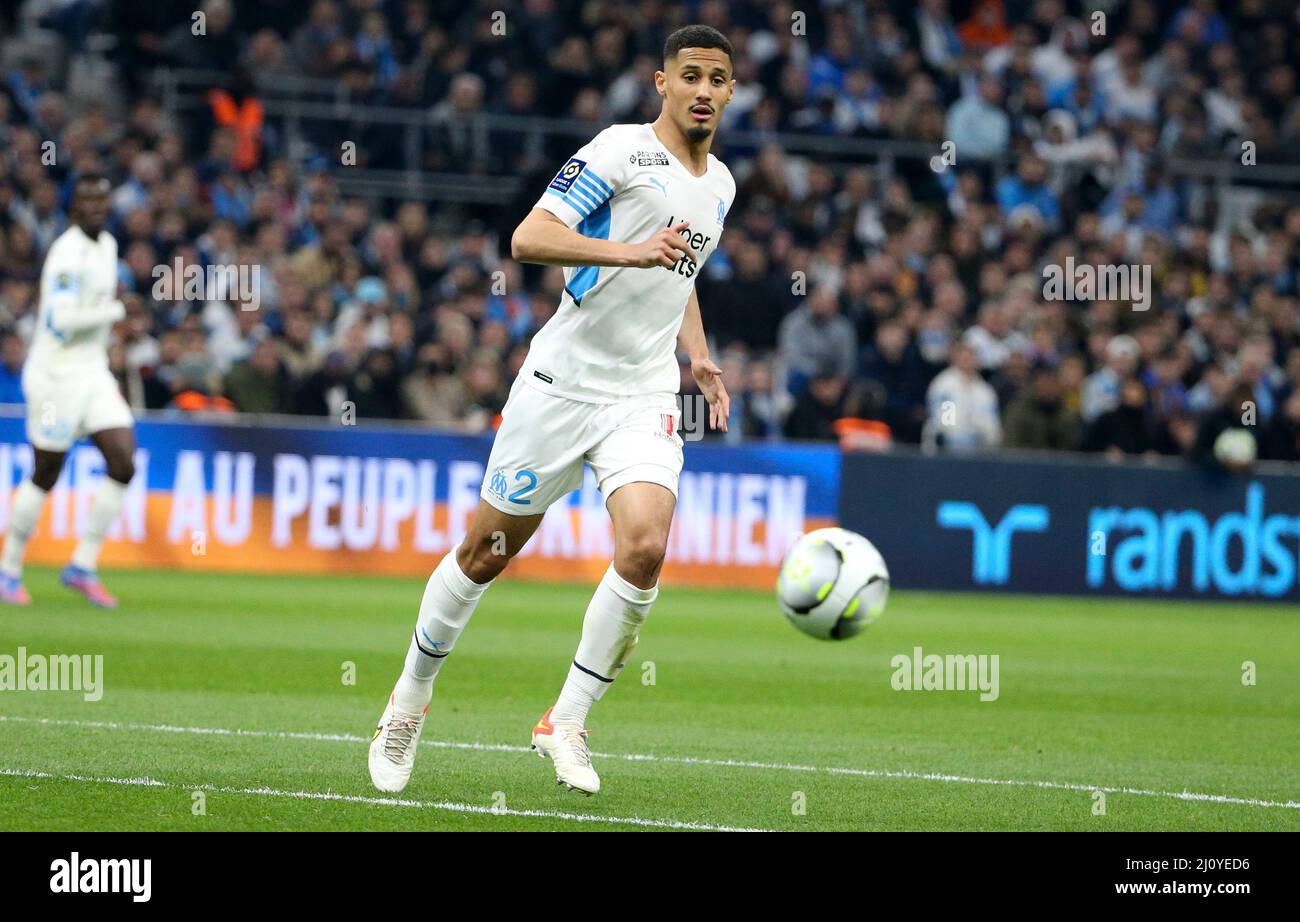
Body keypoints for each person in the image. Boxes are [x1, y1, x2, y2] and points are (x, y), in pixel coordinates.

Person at [368, 25, 737, 797]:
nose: (704, 90)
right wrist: (629, 251)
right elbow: (529, 237)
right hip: (561, 383)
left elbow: (682, 272)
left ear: (731, 92)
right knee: (485, 555)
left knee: (645, 547)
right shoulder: (619, 150)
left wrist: (696, 353)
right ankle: (408, 701)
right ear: (661, 82)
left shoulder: (721, 186)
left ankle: (565, 720)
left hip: (641, 394)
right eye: (691, 75)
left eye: (718, 79)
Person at [0, 174, 136, 609]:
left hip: (91, 372)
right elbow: (60, 320)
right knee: (47, 471)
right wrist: (114, 310)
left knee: (123, 460)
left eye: (102, 200)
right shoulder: (66, 252)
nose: (97, 208)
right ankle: (9, 569)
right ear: (75, 208)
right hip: (56, 375)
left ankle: (82, 564)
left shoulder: (108, 245)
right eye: (88, 201)